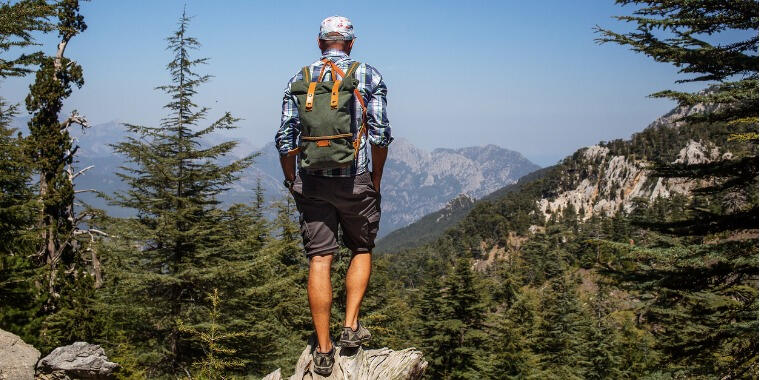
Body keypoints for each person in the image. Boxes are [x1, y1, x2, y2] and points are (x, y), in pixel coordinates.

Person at [274, 15, 392, 376]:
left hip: (311, 183)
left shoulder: (299, 78)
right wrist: (375, 179)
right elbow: (381, 135)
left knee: (320, 260)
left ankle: (323, 351)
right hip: (356, 180)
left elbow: (285, 138)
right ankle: (350, 326)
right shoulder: (368, 75)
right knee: (361, 248)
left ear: (319, 42)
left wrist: (292, 180)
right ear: (351, 43)